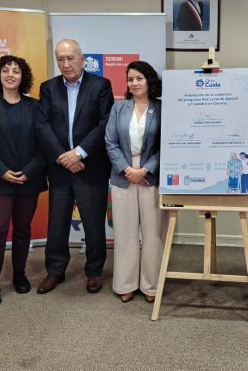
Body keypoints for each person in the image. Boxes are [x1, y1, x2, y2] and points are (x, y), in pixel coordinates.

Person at [35, 39, 114, 295]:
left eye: (70, 58)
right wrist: (63, 157)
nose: (65, 64)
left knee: (93, 223)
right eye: (60, 59)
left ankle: (94, 271)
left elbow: (104, 124)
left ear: (82, 59)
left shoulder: (100, 85)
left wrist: (79, 153)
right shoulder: (48, 88)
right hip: (60, 168)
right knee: (57, 223)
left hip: (90, 167)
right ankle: (55, 271)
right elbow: (42, 125)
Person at [0, 55, 47, 306]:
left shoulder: (36, 106)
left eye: (16, 71)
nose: (11, 74)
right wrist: (2, 171)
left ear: (23, 76)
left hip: (29, 178)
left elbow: (44, 144)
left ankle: (19, 274)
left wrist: (30, 170)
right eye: (6, 70)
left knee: (23, 229)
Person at [105, 61, 167, 303]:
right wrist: (127, 169)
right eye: (130, 79)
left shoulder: (162, 108)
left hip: (151, 176)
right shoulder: (118, 107)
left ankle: (151, 285)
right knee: (125, 233)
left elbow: (167, 144)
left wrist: (146, 169)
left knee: (153, 234)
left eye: (139, 78)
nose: (134, 83)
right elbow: (110, 142)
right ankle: (126, 284)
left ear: (149, 80)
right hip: (123, 176)